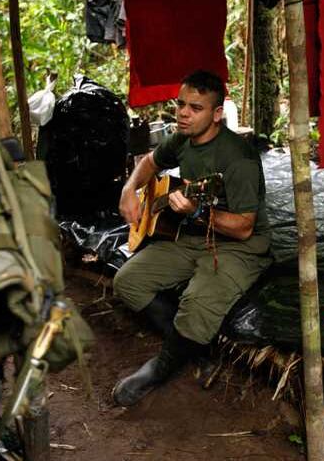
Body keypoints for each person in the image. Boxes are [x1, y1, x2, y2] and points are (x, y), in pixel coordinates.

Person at [112, 70, 272, 406]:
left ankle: (160, 367)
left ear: (216, 115)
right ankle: (192, 347)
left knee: (196, 304)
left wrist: (197, 212)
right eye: (181, 104)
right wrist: (130, 189)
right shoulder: (182, 138)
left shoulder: (238, 158)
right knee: (128, 281)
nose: (183, 113)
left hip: (239, 246)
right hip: (193, 235)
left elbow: (244, 227)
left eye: (195, 108)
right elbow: (151, 163)